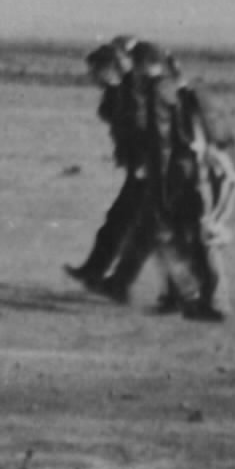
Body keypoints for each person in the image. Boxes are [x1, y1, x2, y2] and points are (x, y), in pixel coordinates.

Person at [148, 62, 235, 321]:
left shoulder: (187, 106)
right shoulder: (189, 101)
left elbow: (197, 149)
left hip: (202, 180)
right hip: (201, 178)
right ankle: (188, 297)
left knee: (201, 240)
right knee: (184, 239)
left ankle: (212, 302)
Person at [70, 38, 159, 299]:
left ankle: (116, 282)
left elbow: (145, 126)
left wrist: (143, 162)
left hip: (150, 169)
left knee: (141, 230)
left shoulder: (134, 90)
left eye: (96, 70)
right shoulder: (119, 91)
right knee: (120, 222)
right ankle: (98, 272)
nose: (92, 77)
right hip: (140, 168)